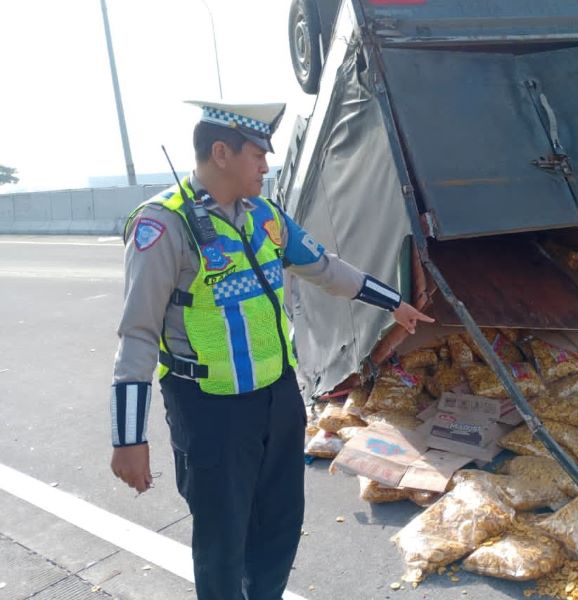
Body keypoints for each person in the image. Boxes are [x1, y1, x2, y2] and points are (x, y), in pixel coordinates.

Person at [109, 100, 433, 600]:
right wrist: (128, 437)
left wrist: (393, 303)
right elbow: (137, 335)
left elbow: (323, 266)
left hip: (277, 398)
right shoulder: (163, 227)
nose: (266, 165)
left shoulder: (264, 216)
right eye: (258, 154)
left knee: (280, 526)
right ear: (221, 152)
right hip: (210, 411)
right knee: (222, 541)